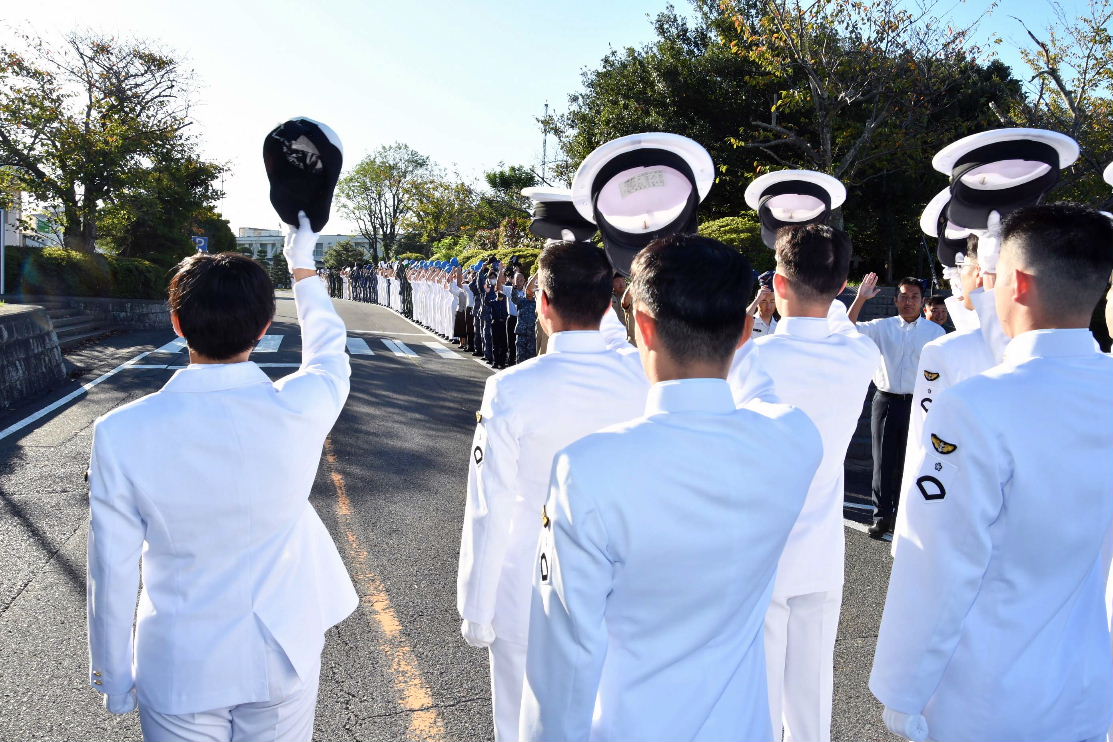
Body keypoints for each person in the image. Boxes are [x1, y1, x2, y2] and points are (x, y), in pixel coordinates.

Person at [519, 234, 822, 742]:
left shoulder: (587, 468)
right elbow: (762, 393)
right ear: (746, 331)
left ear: (642, 326)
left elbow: (565, 659)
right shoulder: (794, 439)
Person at [87, 215, 356, 742]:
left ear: (177, 323)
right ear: (265, 327)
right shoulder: (301, 406)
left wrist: (114, 678)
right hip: (282, 649)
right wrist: (302, 265)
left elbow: (111, 567)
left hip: (179, 661)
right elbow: (329, 352)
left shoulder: (120, 431)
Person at [870, 203, 1113, 742]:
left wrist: (902, 688)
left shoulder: (976, 404)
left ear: (1018, 284)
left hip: (986, 698)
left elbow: (939, 561)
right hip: (1088, 686)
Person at [456, 241, 650, 742]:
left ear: (542, 301)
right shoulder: (640, 376)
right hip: (619, 583)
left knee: (520, 722)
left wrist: (476, 605)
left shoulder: (511, 387)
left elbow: (489, 504)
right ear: (610, 302)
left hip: (529, 582)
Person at [728, 224, 880, 742]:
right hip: (822, 549)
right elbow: (839, 321)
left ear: (777, 283)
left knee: (760, 703)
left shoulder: (751, 358)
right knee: (813, 699)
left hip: (762, 551)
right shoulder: (858, 355)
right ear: (841, 286)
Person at [849, 275, 945, 537]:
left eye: (914, 297)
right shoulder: (882, 327)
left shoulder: (935, 333)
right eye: (903, 296)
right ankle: (881, 517)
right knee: (882, 461)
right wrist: (860, 298)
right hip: (886, 400)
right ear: (895, 299)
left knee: (910, 461)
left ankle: (904, 516)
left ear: (922, 301)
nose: (908, 301)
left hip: (919, 403)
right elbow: (846, 329)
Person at [513, 273, 538, 363]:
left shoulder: (538, 302)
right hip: (522, 334)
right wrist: (515, 285)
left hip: (533, 335)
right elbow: (514, 298)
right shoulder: (522, 300)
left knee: (531, 360)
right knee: (520, 358)